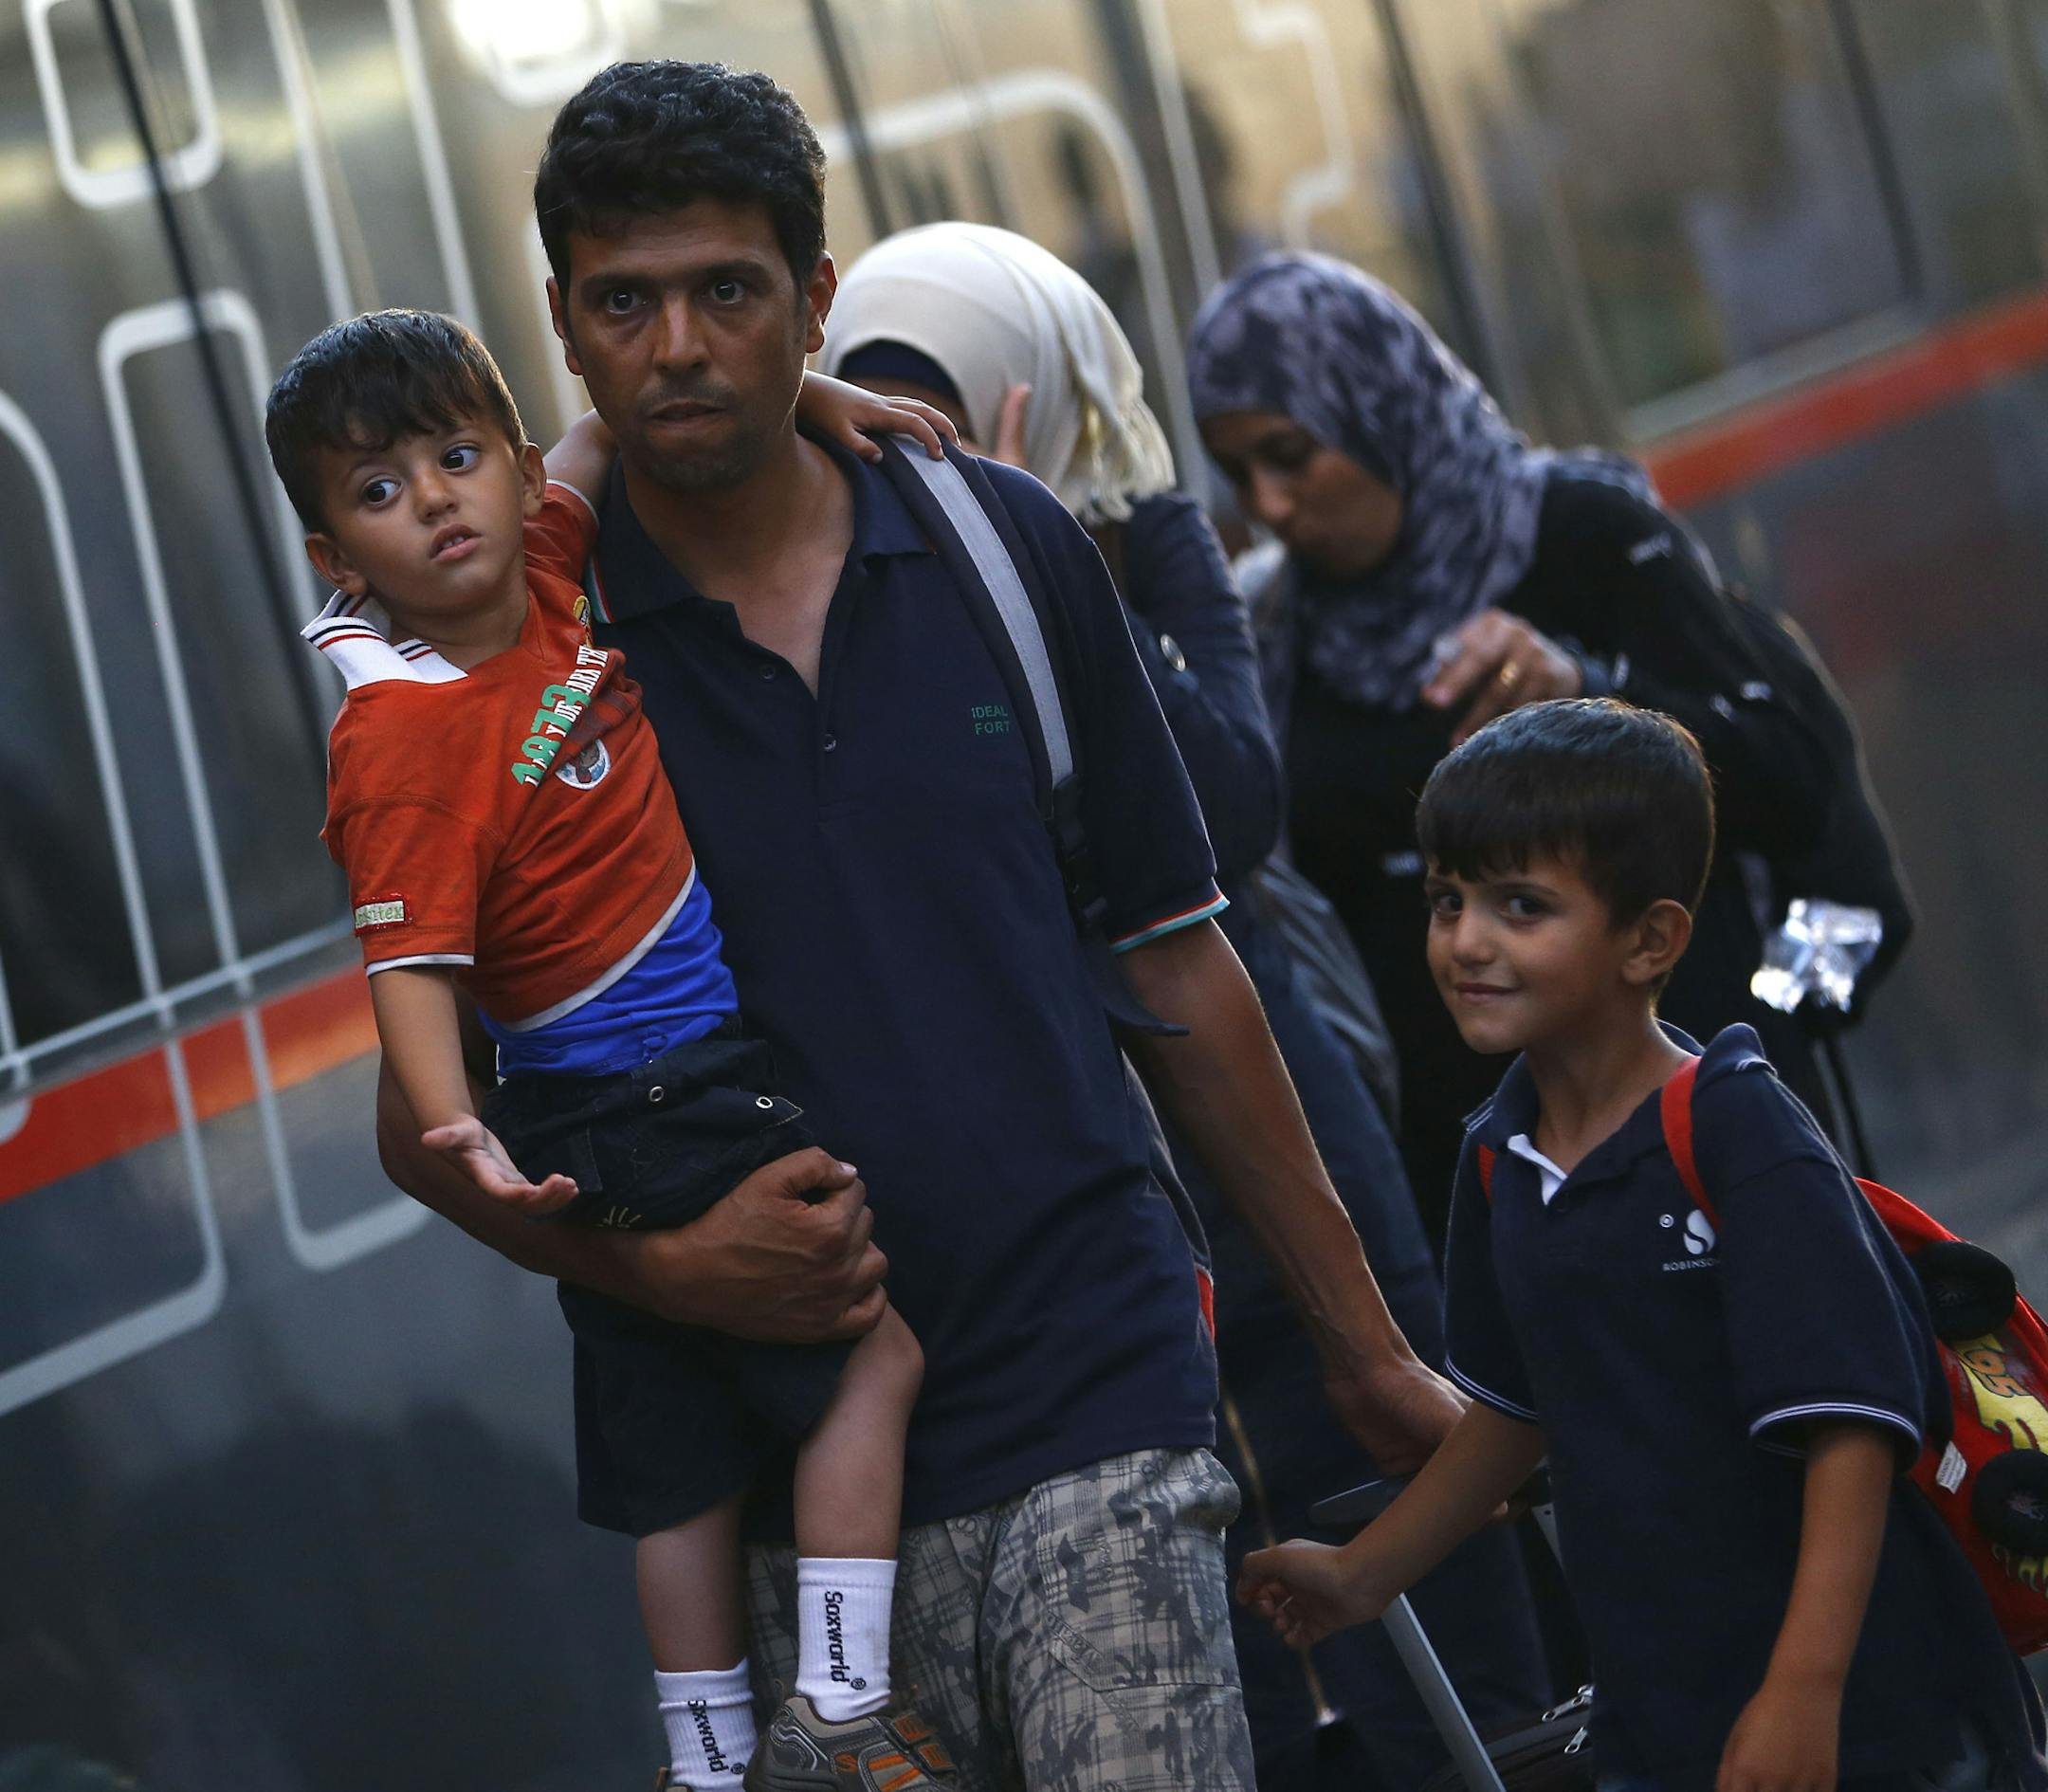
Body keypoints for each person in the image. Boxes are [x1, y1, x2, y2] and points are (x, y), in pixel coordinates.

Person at [368, 61, 1464, 1792]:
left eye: (730, 293)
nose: (677, 350)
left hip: (1098, 1405)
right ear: (565, 332)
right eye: (624, 304)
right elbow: (426, 1130)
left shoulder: (1001, 552)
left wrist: (1367, 1349)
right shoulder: (528, 671)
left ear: (811, 301)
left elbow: (1186, 959)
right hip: (798, 1497)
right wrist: (661, 1265)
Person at [820, 219, 1548, 1791]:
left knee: (1393, 1489)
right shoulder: (838, 570)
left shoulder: (1134, 532)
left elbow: (1220, 803)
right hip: (1069, 1147)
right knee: (1190, 1555)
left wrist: (1057, 561)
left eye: (935, 395)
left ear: (1032, 385)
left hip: (1259, 1093)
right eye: (868, 396)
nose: (907, 437)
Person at [266, 309, 969, 1789]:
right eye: (380, 490)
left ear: (518, 476)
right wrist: (459, 1126)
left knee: (681, 1469)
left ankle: (706, 1759)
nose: (436, 498)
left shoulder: (540, 571)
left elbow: (597, 437)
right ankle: (842, 1709)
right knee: (873, 1357)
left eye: (457, 457)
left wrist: (818, 390)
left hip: (618, 1114)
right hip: (659, 1088)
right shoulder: (399, 736)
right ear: (338, 557)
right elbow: (410, 960)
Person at [1239, 698, 2047, 1792]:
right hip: (1666, 1719)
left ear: (1650, 940)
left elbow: (1855, 1427)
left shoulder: (1734, 1130)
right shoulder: (1500, 1158)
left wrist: (1806, 1689)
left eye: (1521, 906)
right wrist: (1363, 1577)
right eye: (1447, 899)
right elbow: (1515, 1416)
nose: (1466, 940)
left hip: (1876, 1715)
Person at [1184, 253, 1857, 1246]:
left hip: (1701, 1145)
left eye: (1292, 454)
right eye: (1239, 473)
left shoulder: (1578, 536)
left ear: (1381, 409)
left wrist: (1590, 686)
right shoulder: (1274, 625)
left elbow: (1794, 780)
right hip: (1476, 1185)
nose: (1271, 504)